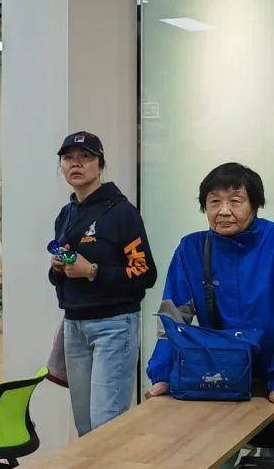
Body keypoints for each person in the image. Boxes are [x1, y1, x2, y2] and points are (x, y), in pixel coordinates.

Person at [48, 131, 157, 436]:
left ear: (100, 165)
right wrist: (59, 268)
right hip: (74, 326)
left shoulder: (121, 212)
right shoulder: (67, 214)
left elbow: (145, 273)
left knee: (106, 428)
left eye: (85, 157)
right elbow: (63, 276)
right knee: (85, 428)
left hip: (113, 326)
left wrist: (93, 271)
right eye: (68, 158)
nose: (76, 164)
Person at [146, 163, 274, 403]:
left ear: (255, 205)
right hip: (221, 375)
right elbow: (173, 318)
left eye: (235, 201)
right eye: (214, 202)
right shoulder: (191, 249)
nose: (224, 211)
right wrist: (163, 373)